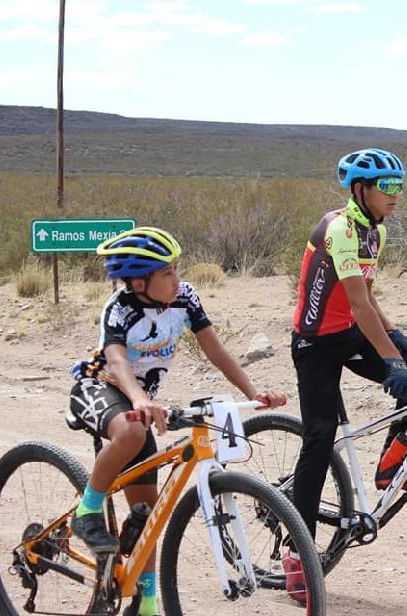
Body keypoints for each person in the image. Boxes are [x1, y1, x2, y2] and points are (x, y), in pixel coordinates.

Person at [68, 226, 287, 616]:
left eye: (176, 269)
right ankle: (87, 511)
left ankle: (148, 604)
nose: (177, 279)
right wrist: (139, 398)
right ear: (138, 281)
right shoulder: (119, 308)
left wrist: (252, 393)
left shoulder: (185, 298)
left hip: (140, 403)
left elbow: (216, 352)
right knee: (133, 431)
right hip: (100, 388)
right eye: (167, 273)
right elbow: (117, 361)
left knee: (147, 518)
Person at [287, 148, 407, 598]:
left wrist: (397, 339)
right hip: (315, 344)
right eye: (387, 188)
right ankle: (297, 552)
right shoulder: (340, 230)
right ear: (360, 189)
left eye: (399, 186)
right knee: (319, 438)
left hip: (350, 333)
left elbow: (368, 299)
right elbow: (355, 302)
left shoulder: (376, 232)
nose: (396, 195)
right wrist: (389, 359)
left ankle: (392, 465)